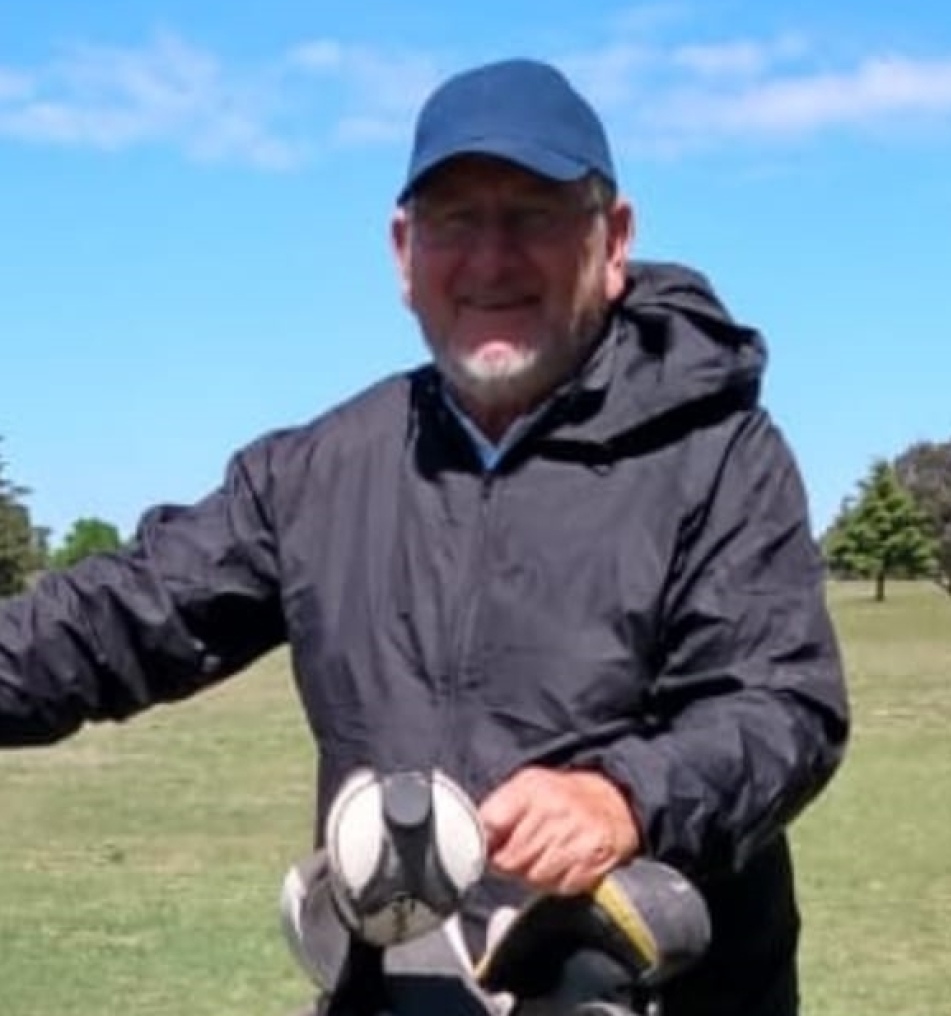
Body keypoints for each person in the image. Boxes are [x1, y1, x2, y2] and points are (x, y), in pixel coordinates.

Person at [0, 58, 849, 1016]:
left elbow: (782, 706)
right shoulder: (319, 471)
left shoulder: (717, 452)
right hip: (401, 991)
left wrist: (625, 796)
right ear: (404, 253)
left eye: (532, 213)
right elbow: (116, 618)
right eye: (455, 219)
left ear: (613, 242)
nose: (491, 259)